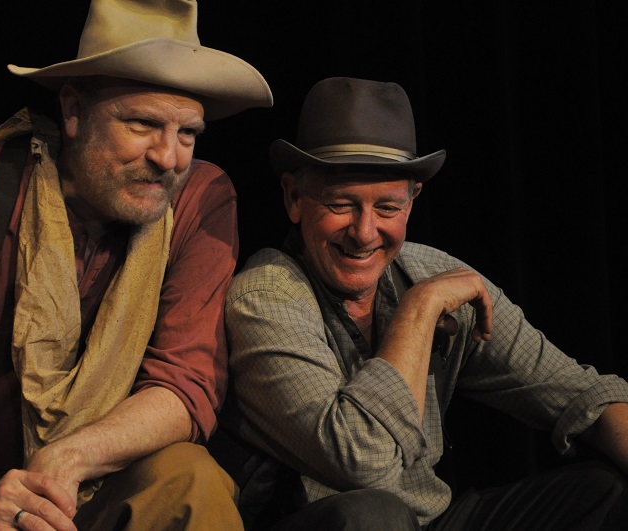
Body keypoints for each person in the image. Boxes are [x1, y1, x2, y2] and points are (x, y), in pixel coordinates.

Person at [0, 1, 273, 529]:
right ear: (74, 111)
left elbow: (185, 385)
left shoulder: (200, 198)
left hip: (82, 487)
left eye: (188, 134)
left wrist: (71, 458)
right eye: (143, 124)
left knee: (189, 478)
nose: (168, 157)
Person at [212, 77, 628, 530]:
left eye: (387, 208)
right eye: (342, 204)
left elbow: (582, 394)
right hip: (337, 521)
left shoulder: (432, 271)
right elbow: (363, 464)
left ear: (413, 201)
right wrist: (417, 311)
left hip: (428, 521)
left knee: (605, 492)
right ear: (294, 198)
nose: (365, 232)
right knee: (374, 513)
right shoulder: (265, 296)